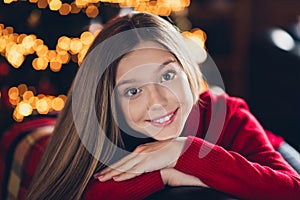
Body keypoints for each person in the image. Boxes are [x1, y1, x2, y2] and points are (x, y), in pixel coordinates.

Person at [26, 12, 300, 199]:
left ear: (188, 71)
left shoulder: (225, 112)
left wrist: (184, 151)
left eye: (167, 76)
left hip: (276, 150)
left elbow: (291, 190)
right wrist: (167, 172)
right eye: (133, 90)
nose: (158, 102)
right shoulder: (104, 133)